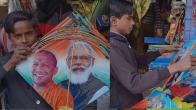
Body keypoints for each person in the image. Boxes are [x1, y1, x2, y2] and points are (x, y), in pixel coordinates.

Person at [110, 0, 196, 109]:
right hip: (124, 103)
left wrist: (162, 51)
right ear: (114, 21)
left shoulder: (121, 41)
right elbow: (134, 83)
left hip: (130, 99)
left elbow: (138, 60)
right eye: (129, 18)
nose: (133, 23)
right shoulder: (114, 46)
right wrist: (175, 67)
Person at [0, 11, 50, 109]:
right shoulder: (4, 63)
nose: (24, 40)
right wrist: (11, 63)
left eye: (28, 33)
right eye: (17, 36)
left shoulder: (52, 56)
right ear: (10, 38)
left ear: (36, 32)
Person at [59, 40, 109, 110]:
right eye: (74, 58)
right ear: (67, 61)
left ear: (92, 62)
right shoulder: (59, 87)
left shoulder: (102, 90)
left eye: (84, 58)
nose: (78, 62)